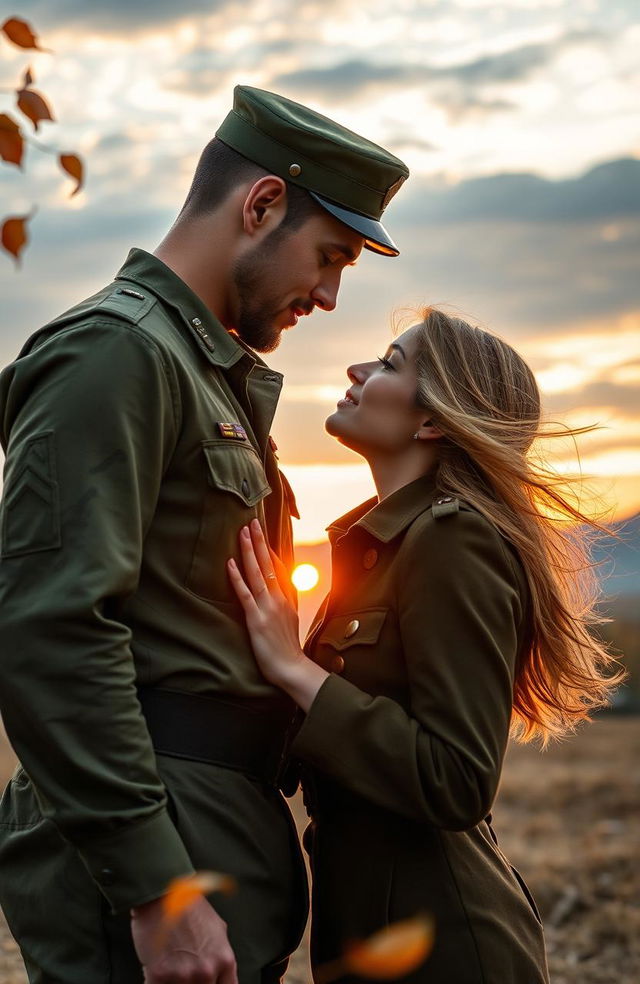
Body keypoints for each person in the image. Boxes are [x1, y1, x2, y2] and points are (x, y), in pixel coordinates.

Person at [0, 85, 409, 984]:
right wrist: (159, 890)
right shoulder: (114, 354)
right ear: (262, 203)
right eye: (329, 255)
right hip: (153, 854)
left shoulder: (201, 372)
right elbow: (53, 628)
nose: (332, 295)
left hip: (212, 826)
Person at [228, 308, 623, 984]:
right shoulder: (385, 550)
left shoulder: (452, 539)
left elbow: (460, 779)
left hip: (444, 945)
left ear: (433, 421)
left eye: (387, 362)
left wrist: (298, 672)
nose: (355, 371)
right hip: (374, 936)